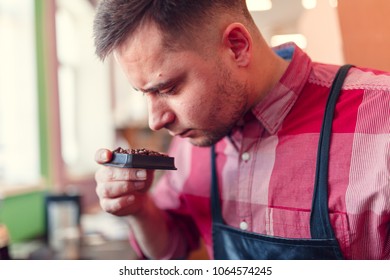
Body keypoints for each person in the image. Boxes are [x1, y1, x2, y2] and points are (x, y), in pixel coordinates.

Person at [93, 0, 390, 260]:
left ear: (237, 47)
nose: (155, 121)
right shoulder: (193, 134)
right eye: (143, 93)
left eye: (168, 88)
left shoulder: (382, 117)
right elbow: (174, 245)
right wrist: (140, 210)